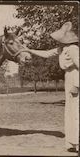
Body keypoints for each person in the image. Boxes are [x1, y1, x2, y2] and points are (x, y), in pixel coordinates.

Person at [25, 21, 79, 153]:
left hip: (75, 77)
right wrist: (29, 50)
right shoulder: (62, 49)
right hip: (69, 77)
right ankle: (72, 142)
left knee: (76, 111)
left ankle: (77, 142)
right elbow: (47, 53)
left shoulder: (73, 49)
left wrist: (77, 85)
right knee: (70, 111)